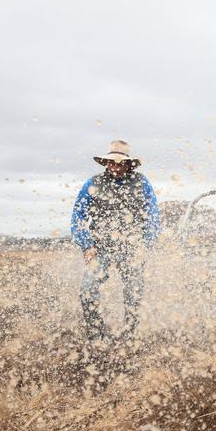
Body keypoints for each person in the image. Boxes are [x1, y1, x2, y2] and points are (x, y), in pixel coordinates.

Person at [71, 140, 161, 343]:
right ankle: (96, 335)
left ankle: (130, 334)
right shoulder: (93, 184)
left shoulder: (141, 183)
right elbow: (78, 216)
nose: (115, 167)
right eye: (111, 163)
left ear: (129, 164)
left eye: (120, 163)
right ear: (105, 163)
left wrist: (145, 245)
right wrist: (87, 245)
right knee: (87, 290)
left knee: (134, 294)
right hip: (100, 248)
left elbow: (153, 216)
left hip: (132, 247)